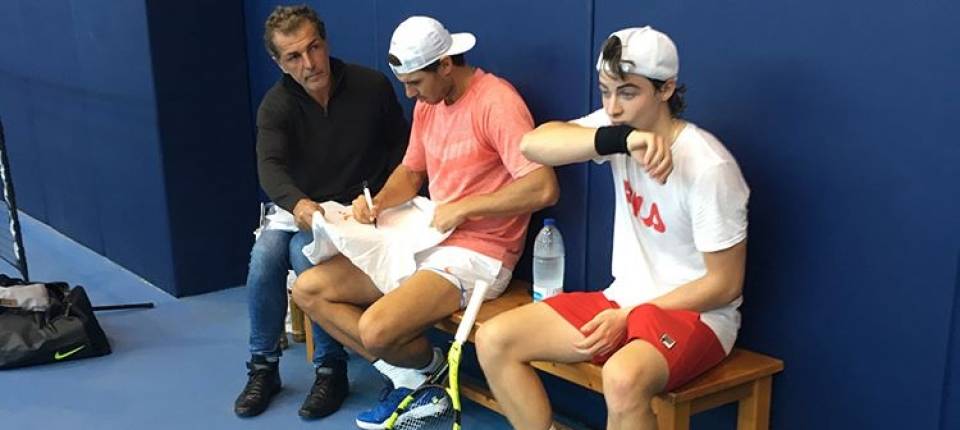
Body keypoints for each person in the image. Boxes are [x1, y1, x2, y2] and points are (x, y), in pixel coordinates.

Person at [292, 15, 559, 429]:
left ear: (446, 65)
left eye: (416, 82)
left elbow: (544, 187)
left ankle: (423, 379)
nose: (409, 93)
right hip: (431, 235)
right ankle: (421, 376)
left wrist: (469, 207)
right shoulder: (428, 105)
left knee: (376, 331)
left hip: (482, 253)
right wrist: (377, 203)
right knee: (309, 288)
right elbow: (412, 172)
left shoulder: (497, 102)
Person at [476, 26, 750, 430]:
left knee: (621, 379)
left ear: (666, 89)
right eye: (605, 90)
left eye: (627, 92)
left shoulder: (710, 167)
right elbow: (532, 144)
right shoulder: (620, 130)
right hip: (622, 299)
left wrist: (632, 314)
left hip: (699, 315)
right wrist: (619, 141)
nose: (613, 106)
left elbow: (724, 285)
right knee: (494, 339)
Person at [234, 4, 409, 420]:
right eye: (294, 56)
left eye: (314, 47)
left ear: (325, 42)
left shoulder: (371, 86)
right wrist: (298, 204)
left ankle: (331, 370)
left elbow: (403, 149)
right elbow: (270, 168)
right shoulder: (276, 107)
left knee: (303, 256)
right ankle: (263, 367)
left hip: (363, 208)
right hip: (304, 209)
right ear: (278, 62)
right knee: (265, 257)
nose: (310, 63)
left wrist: (382, 197)